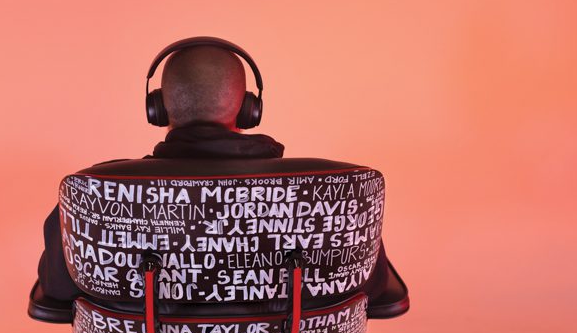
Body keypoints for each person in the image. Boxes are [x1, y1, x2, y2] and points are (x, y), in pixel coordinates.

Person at [36, 43, 390, 303]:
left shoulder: (96, 193)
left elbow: (56, 293)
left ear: (157, 108)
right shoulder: (334, 193)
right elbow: (373, 292)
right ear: (250, 109)